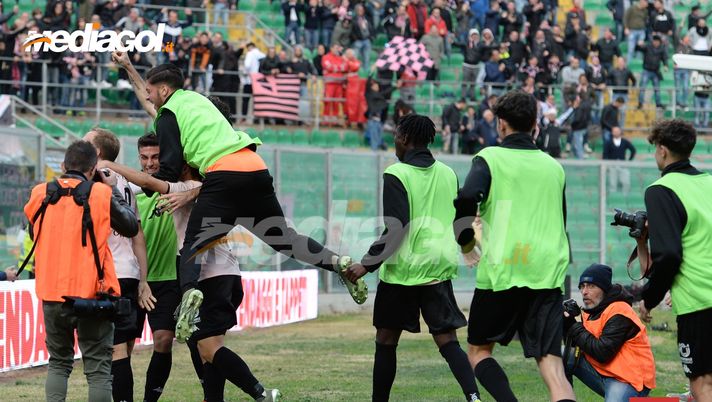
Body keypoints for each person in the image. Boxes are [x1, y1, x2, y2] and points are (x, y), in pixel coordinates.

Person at [344, 114, 482, 402]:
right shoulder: (448, 173)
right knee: (447, 340)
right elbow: (461, 217)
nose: (394, 140)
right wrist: (467, 246)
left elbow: (397, 227)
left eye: (396, 135)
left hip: (404, 268)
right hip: (438, 265)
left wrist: (366, 264)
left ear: (405, 139)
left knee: (386, 339)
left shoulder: (397, 173)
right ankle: (474, 397)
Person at [454, 91, 575, 402]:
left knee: (478, 352)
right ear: (535, 124)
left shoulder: (490, 158)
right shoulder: (554, 167)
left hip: (503, 269)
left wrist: (466, 243)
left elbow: (466, 198)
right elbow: (560, 219)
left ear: (501, 124)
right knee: (553, 367)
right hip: (546, 272)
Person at [24, 140, 139, 402]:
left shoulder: (40, 193)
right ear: (93, 169)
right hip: (92, 294)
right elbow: (130, 226)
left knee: (58, 363)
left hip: (52, 292)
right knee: (98, 369)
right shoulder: (100, 194)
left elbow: (34, 232)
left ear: (63, 166)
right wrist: (112, 188)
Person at [636, 119, 712, 401]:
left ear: (662, 149)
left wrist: (649, 297)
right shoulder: (709, 182)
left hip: (700, 301)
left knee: (702, 385)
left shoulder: (661, 189)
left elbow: (668, 254)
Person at [83, 128, 155, 402]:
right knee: (123, 349)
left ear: (97, 152)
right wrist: (143, 279)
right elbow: (138, 236)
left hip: (109, 275)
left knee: (114, 351)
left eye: (86, 142)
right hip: (130, 273)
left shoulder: (93, 179)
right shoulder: (124, 182)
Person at [563, 264, 656, 400]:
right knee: (558, 356)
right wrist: (566, 324)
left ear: (604, 288)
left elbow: (602, 353)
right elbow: (577, 346)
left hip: (629, 379)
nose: (584, 292)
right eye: (582, 286)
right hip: (602, 371)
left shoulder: (619, 311)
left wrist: (574, 326)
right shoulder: (592, 308)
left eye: (591, 286)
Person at [636, 36, 668, 109]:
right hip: (646, 70)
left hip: (655, 71)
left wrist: (665, 65)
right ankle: (640, 103)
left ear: (659, 42)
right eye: (654, 41)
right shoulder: (648, 46)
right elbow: (639, 49)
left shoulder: (662, 49)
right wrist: (638, 45)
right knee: (642, 87)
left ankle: (658, 104)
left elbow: (664, 58)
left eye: (657, 41)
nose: (655, 43)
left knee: (657, 89)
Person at [603, 127, 636, 195]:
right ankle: (613, 197)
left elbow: (633, 150)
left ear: (620, 132)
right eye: (614, 131)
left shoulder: (624, 141)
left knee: (626, 182)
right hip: (612, 165)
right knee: (612, 183)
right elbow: (605, 154)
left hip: (622, 164)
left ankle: (625, 196)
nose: (616, 133)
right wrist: (606, 164)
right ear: (612, 133)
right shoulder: (608, 142)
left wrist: (629, 160)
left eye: (617, 131)